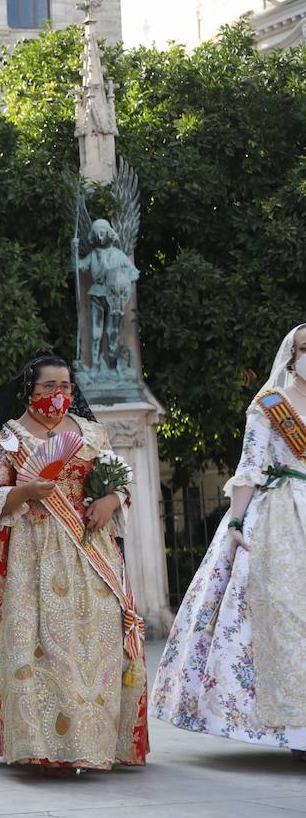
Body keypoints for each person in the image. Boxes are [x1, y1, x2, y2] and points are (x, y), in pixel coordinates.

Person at [0, 350, 148, 775]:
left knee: (99, 636)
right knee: (40, 642)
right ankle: (45, 744)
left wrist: (109, 500)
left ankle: (94, 739)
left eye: (65, 385)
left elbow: (122, 482)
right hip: (32, 550)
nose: (59, 393)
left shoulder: (90, 433)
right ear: (30, 389)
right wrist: (27, 492)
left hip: (90, 546)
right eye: (49, 386)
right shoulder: (9, 439)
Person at [153, 323, 306, 757]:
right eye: (304, 348)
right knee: (283, 615)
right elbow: (250, 467)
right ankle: (294, 730)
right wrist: (236, 525)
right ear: (291, 356)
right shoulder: (270, 404)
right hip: (280, 515)